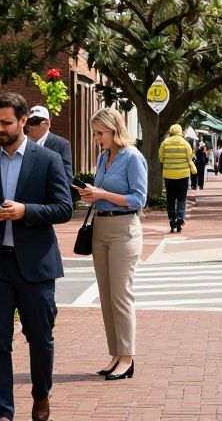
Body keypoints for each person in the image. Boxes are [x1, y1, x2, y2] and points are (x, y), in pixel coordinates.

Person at [0, 92, 73, 421]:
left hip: (36, 265)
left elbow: (64, 208)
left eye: (6, 122)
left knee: (40, 338)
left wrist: (26, 210)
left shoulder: (48, 160)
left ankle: (41, 395)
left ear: (23, 121)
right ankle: (3, 413)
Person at [75, 107, 148, 382]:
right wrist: (91, 196)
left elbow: (138, 199)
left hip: (124, 230)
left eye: (99, 133)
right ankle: (116, 354)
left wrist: (102, 193)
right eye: (94, 133)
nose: (96, 138)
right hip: (100, 227)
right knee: (105, 297)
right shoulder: (103, 156)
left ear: (114, 130)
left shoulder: (133, 157)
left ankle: (127, 357)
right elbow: (103, 194)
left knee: (121, 296)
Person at [159, 124, 195, 233]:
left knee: (170, 199)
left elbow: (161, 158)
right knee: (181, 199)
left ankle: (171, 220)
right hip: (183, 175)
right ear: (180, 131)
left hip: (169, 175)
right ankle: (180, 218)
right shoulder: (185, 143)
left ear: (171, 132)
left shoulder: (165, 143)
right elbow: (190, 157)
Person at [27, 104, 73, 181]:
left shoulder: (61, 144)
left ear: (48, 123)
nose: (31, 126)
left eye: (35, 121)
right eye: (29, 121)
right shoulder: (24, 144)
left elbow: (67, 177)